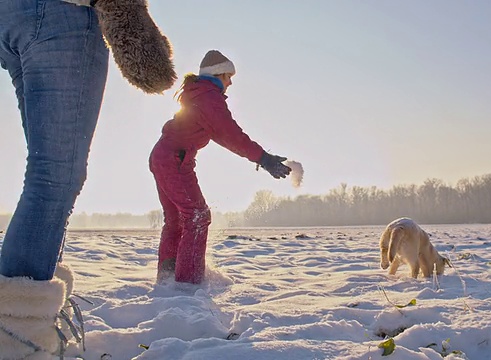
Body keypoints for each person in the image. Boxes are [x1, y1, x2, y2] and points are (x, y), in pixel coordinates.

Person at [0, 0, 175, 358]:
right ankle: (18, 340)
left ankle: (30, 324)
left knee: (48, 173)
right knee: (54, 177)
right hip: (61, 12)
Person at [150, 50, 292, 285]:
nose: (231, 82)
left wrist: (260, 157)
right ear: (218, 74)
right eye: (229, 76)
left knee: (177, 219)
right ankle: (187, 285)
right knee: (197, 216)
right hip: (174, 160)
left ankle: (168, 279)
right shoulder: (209, 98)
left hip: (167, 158)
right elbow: (230, 134)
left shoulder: (198, 93)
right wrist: (263, 158)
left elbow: (222, 135)